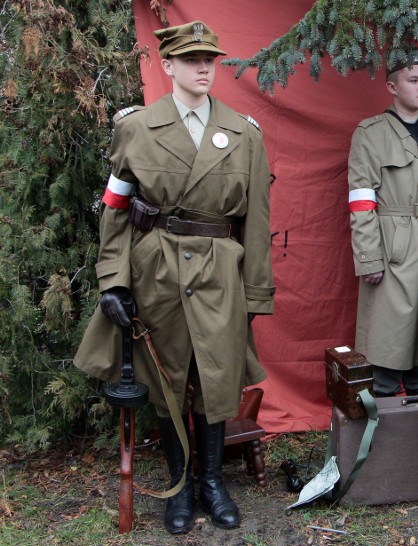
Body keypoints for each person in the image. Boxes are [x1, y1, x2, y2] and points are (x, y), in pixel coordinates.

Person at [74, 21, 275, 533]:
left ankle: (213, 482)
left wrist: (255, 291)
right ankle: (180, 485)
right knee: (166, 380)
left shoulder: (245, 133)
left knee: (214, 378)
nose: (204, 68)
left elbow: (258, 222)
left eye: (210, 59)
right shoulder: (136, 128)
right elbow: (115, 210)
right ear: (167, 65)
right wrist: (113, 280)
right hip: (157, 268)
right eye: (191, 60)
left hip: (219, 272)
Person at [347, 49, 418, 397]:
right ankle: (382, 437)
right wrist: (368, 258)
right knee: (387, 347)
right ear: (392, 87)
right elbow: (361, 202)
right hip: (393, 248)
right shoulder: (370, 134)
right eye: (413, 80)